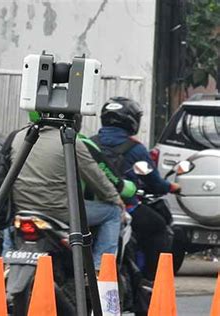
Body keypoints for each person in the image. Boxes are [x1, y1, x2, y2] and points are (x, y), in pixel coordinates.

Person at [10, 124, 124, 270]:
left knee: (9, 226)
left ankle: (5, 261)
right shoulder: (69, 140)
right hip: (60, 211)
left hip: (22, 209)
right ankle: (98, 270)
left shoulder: (19, 137)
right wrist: (115, 198)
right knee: (113, 212)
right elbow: (94, 175)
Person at [95, 96, 181, 279]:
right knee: (158, 226)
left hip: (91, 206)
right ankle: (149, 280)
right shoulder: (135, 148)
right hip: (125, 206)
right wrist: (171, 186)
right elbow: (154, 182)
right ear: (131, 121)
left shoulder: (89, 143)